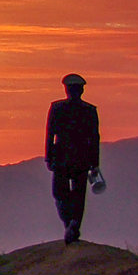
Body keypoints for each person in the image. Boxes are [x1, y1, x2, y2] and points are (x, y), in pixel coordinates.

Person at [44, 73, 100, 244]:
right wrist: (95, 163)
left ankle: (70, 224)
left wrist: (49, 157)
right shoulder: (89, 110)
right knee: (78, 195)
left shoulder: (57, 108)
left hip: (61, 158)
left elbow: (50, 134)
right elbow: (94, 138)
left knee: (60, 194)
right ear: (81, 90)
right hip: (81, 159)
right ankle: (73, 224)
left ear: (67, 89)